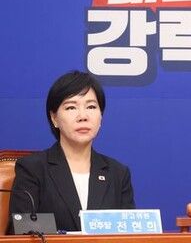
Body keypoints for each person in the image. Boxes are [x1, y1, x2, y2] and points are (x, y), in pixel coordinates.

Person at [9, 71, 135, 232]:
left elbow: (130, 233)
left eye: (91, 106)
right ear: (54, 118)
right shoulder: (32, 169)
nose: (83, 116)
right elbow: (20, 229)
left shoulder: (118, 173)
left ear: (101, 117)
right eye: (71, 107)